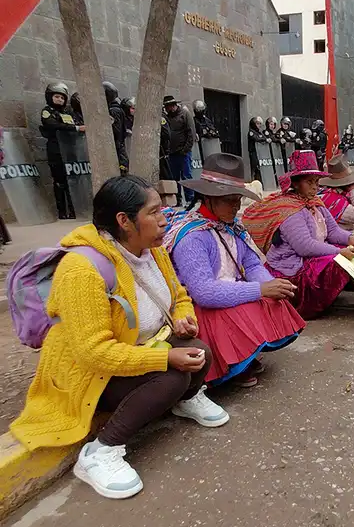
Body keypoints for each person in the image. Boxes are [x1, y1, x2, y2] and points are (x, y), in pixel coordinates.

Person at [10, 175, 229, 500]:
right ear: (124, 221)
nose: (163, 218)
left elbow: (179, 295)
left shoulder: (152, 250)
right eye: (154, 212)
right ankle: (100, 452)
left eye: (162, 209)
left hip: (137, 350)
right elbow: (93, 353)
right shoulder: (81, 270)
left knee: (200, 353)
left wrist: (185, 318)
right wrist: (165, 357)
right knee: (172, 377)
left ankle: (184, 402)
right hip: (89, 374)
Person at [165, 153, 306, 388]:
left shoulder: (233, 228)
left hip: (227, 288)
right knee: (240, 306)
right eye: (228, 200)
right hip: (198, 305)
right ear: (208, 197)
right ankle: (231, 363)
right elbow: (204, 293)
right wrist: (261, 289)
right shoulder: (192, 237)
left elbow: (251, 264)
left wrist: (271, 286)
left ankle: (246, 355)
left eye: (237, 198)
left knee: (270, 297)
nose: (236, 206)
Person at [241, 150, 354, 320]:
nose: (315, 187)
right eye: (309, 182)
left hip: (310, 260)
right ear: (296, 184)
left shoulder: (315, 203)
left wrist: (350, 238)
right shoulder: (289, 210)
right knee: (339, 261)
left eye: (317, 182)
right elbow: (305, 246)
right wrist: (339, 252)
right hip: (292, 272)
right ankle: (313, 305)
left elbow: (333, 231)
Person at [39, 82, 83, 219]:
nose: (59, 100)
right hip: (56, 150)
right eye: (57, 96)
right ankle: (62, 211)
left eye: (62, 97)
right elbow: (52, 125)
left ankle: (74, 209)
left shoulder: (67, 113)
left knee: (73, 181)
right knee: (59, 181)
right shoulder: (47, 111)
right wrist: (76, 128)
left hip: (69, 150)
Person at [164, 96, 196, 186]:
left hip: (183, 152)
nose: (168, 109)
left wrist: (186, 149)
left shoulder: (185, 114)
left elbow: (191, 132)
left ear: (174, 105)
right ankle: (177, 198)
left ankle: (190, 198)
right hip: (172, 152)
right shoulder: (167, 117)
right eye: (166, 107)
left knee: (186, 176)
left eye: (169, 106)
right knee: (174, 177)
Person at [103, 81, 129, 175]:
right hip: (119, 147)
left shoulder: (113, 111)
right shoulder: (117, 109)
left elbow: (115, 130)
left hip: (116, 148)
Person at [247, 116, 266, 183]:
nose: (259, 125)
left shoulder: (259, 132)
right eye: (258, 123)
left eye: (260, 124)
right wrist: (263, 139)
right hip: (253, 152)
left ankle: (259, 182)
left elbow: (264, 137)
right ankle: (253, 181)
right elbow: (256, 138)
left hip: (260, 152)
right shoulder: (251, 132)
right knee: (254, 167)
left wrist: (264, 138)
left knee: (259, 168)